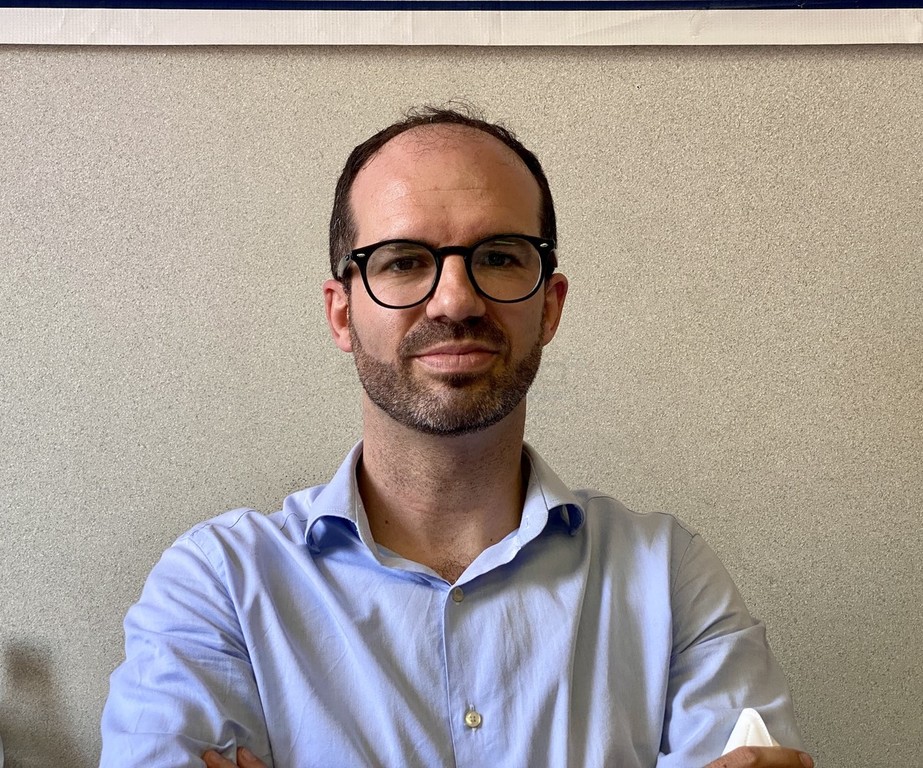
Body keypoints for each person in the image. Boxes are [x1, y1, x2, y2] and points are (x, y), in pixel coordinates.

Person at [100, 106, 813, 768]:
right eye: (403, 260)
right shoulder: (218, 585)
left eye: (499, 256)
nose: (455, 300)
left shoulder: (669, 579)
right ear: (342, 313)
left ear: (550, 306)